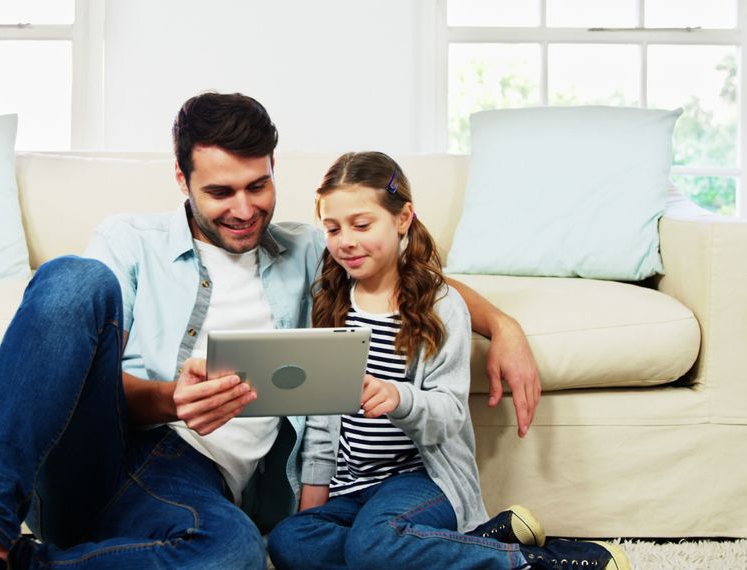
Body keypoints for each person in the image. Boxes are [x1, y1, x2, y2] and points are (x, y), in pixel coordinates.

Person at [0, 93, 541, 570]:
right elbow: (73, 373)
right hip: (114, 450)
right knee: (72, 280)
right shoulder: (129, 240)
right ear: (182, 179)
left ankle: (11, 565)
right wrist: (168, 399)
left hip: (194, 487)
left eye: (258, 185)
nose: (244, 209)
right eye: (220, 192)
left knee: (236, 555)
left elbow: (403, 268)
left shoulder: (307, 250)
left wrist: (500, 325)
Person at [265, 151, 628, 570]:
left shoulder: (440, 305)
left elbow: (451, 414)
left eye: (361, 225)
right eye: (332, 228)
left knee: (373, 545)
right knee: (291, 543)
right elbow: (322, 419)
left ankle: (531, 562)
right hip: (353, 490)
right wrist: (313, 508)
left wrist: (400, 398)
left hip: (421, 482)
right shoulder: (329, 301)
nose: (346, 240)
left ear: (402, 219)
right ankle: (472, 543)